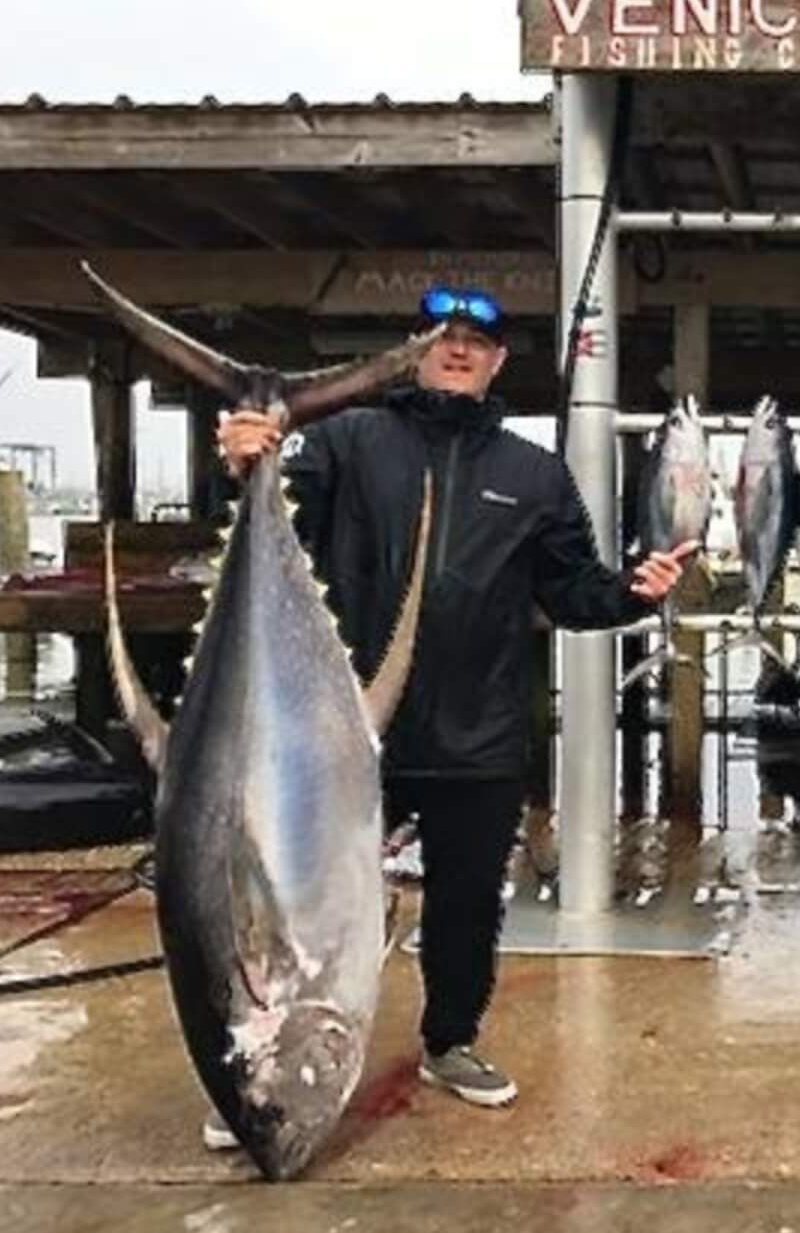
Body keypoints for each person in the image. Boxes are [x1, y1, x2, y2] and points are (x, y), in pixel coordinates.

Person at [207, 284, 694, 1138]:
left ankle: (449, 1043)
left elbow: (572, 590)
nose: (461, 349)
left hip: (483, 735)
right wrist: (252, 458)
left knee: (469, 906)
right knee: (299, 903)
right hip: (347, 734)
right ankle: (270, 1063)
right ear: (415, 348)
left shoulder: (533, 473)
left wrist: (632, 593)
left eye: (480, 340)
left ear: (501, 361)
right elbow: (273, 507)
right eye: (445, 336)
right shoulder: (348, 442)